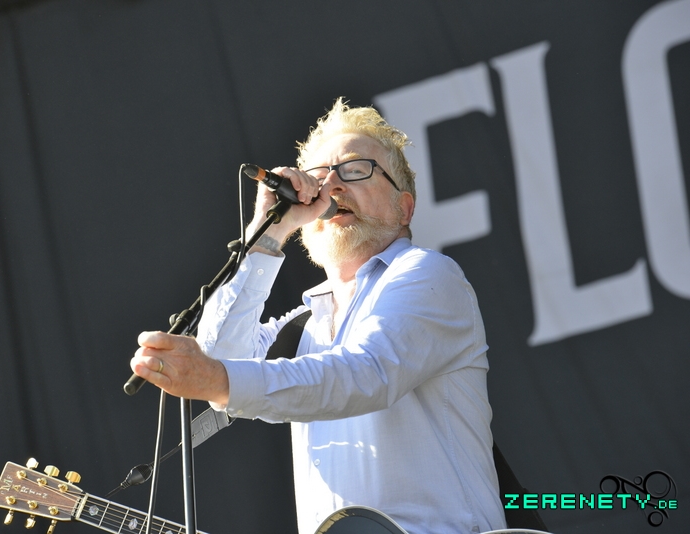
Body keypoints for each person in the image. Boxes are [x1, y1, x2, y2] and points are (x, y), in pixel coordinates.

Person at [130, 98, 507, 534]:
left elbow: (367, 373)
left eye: (356, 169)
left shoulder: (429, 274)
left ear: (404, 208)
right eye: (319, 176)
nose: (333, 187)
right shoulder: (304, 323)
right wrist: (268, 231)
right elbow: (220, 359)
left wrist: (218, 378)